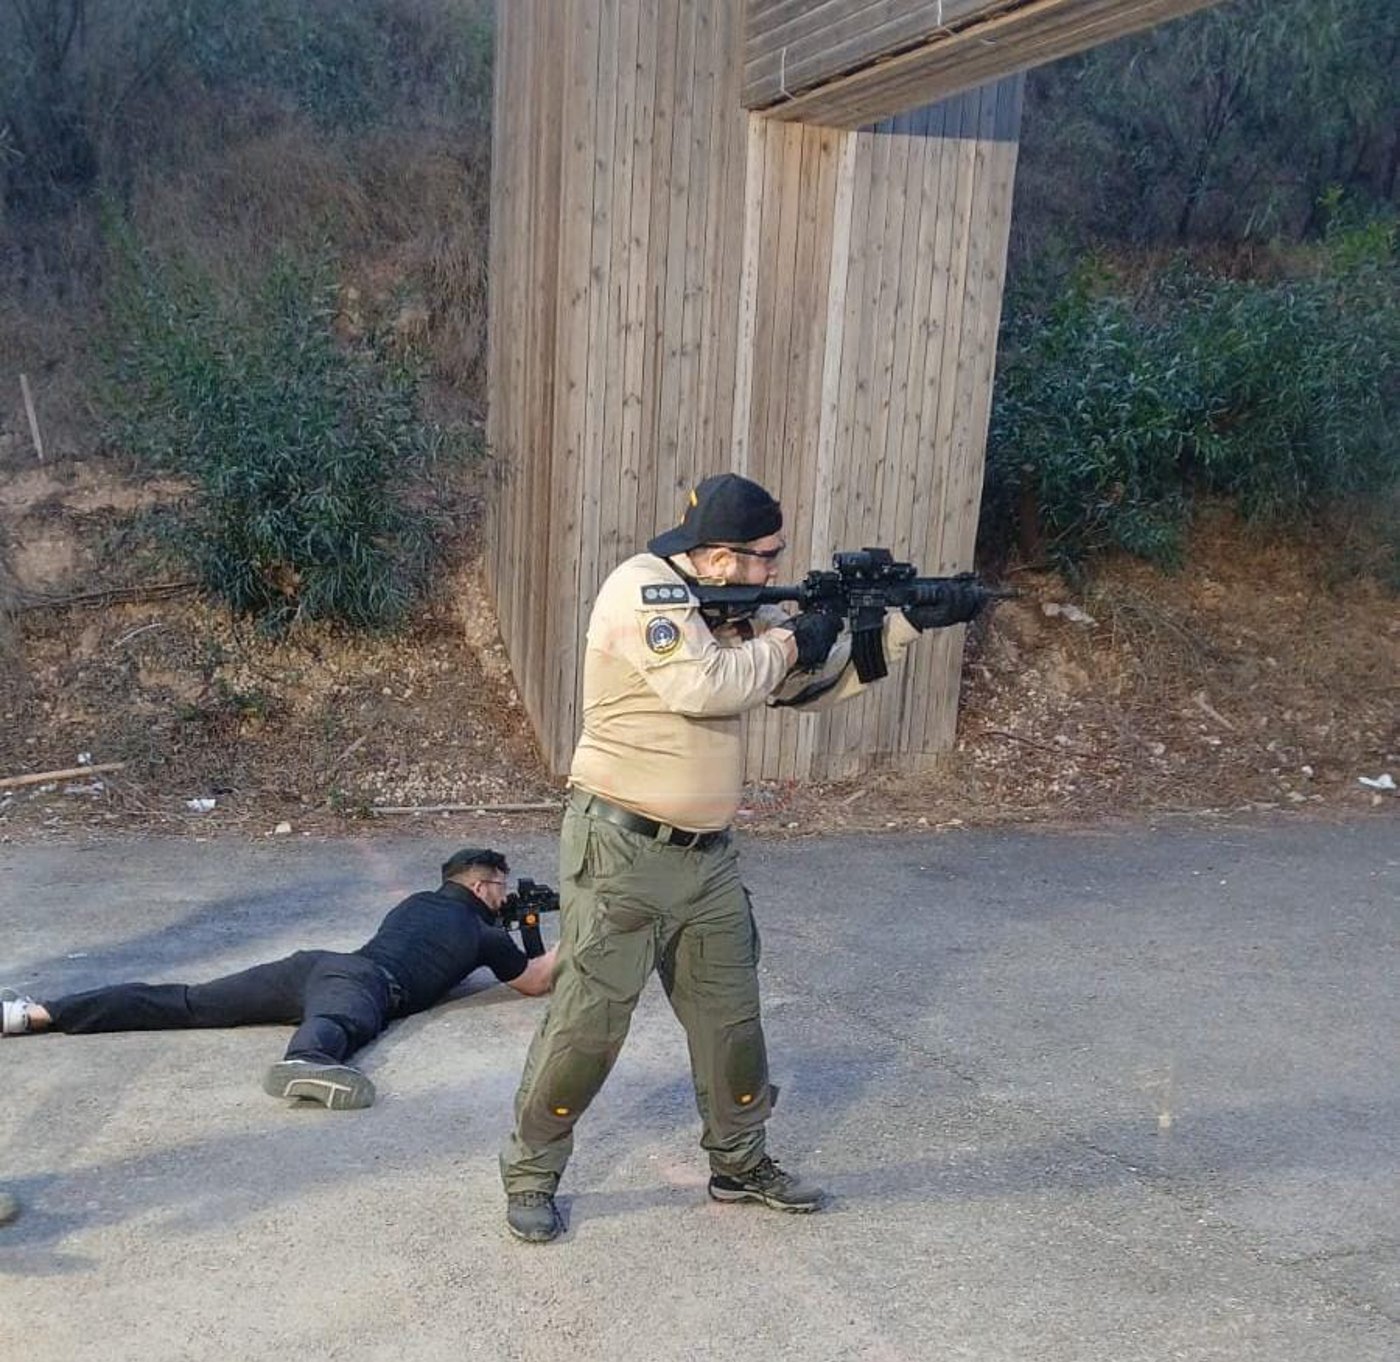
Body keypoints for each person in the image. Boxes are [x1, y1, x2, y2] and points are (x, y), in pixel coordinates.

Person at [499, 472, 985, 1241]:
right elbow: (703, 686)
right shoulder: (642, 591)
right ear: (720, 558)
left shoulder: (723, 612)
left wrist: (899, 628)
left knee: (733, 1025)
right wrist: (794, 634)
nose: (771, 570)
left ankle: (739, 1162)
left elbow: (803, 693)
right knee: (588, 1026)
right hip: (623, 851)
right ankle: (531, 1172)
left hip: (708, 862)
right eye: (765, 557)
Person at [3, 848, 558, 1111]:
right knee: (335, 1023)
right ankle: (309, 1063)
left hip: (313, 965)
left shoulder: (419, 904)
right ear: (485, 886)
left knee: (189, 1001)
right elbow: (533, 982)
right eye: (501, 890)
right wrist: (575, 939)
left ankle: (36, 1012)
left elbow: (437, 950)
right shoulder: (480, 931)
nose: (505, 899)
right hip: (365, 982)